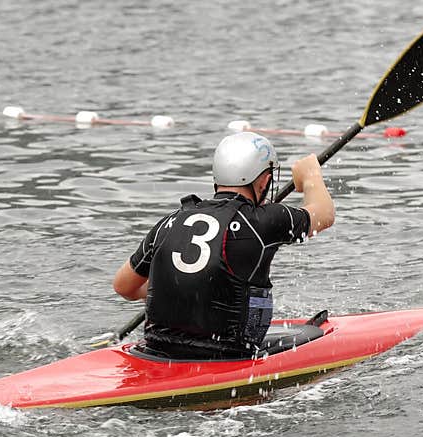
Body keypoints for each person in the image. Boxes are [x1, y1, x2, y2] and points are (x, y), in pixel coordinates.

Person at [112, 131, 335, 359]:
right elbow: (324, 214)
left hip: (157, 353)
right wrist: (311, 175)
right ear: (264, 181)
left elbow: (123, 286)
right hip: (226, 357)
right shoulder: (263, 220)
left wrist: (180, 291)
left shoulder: (169, 222)